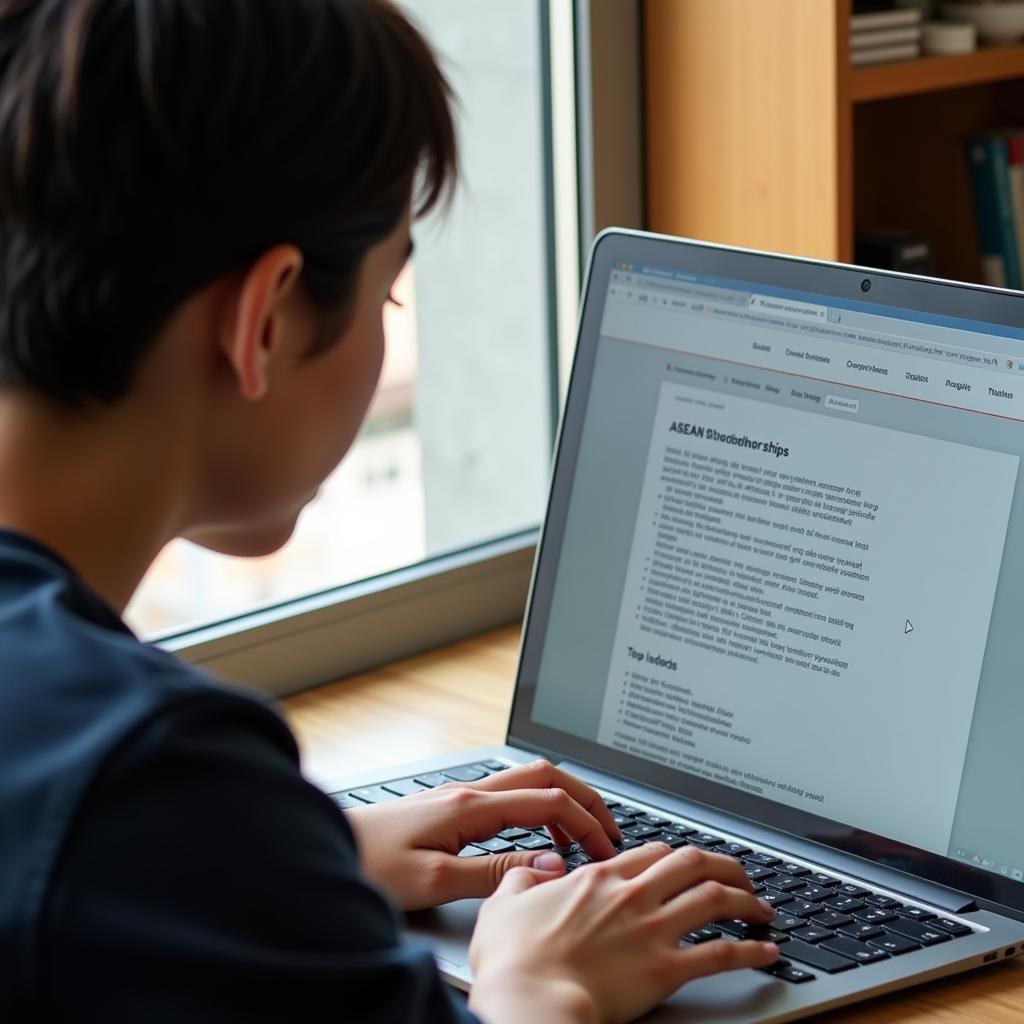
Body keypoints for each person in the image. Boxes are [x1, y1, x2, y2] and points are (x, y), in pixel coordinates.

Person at [0, 1, 779, 1021]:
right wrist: (542, 987)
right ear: (266, 319)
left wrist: (284, 871)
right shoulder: (148, 781)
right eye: (387, 298)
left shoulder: (134, 802)